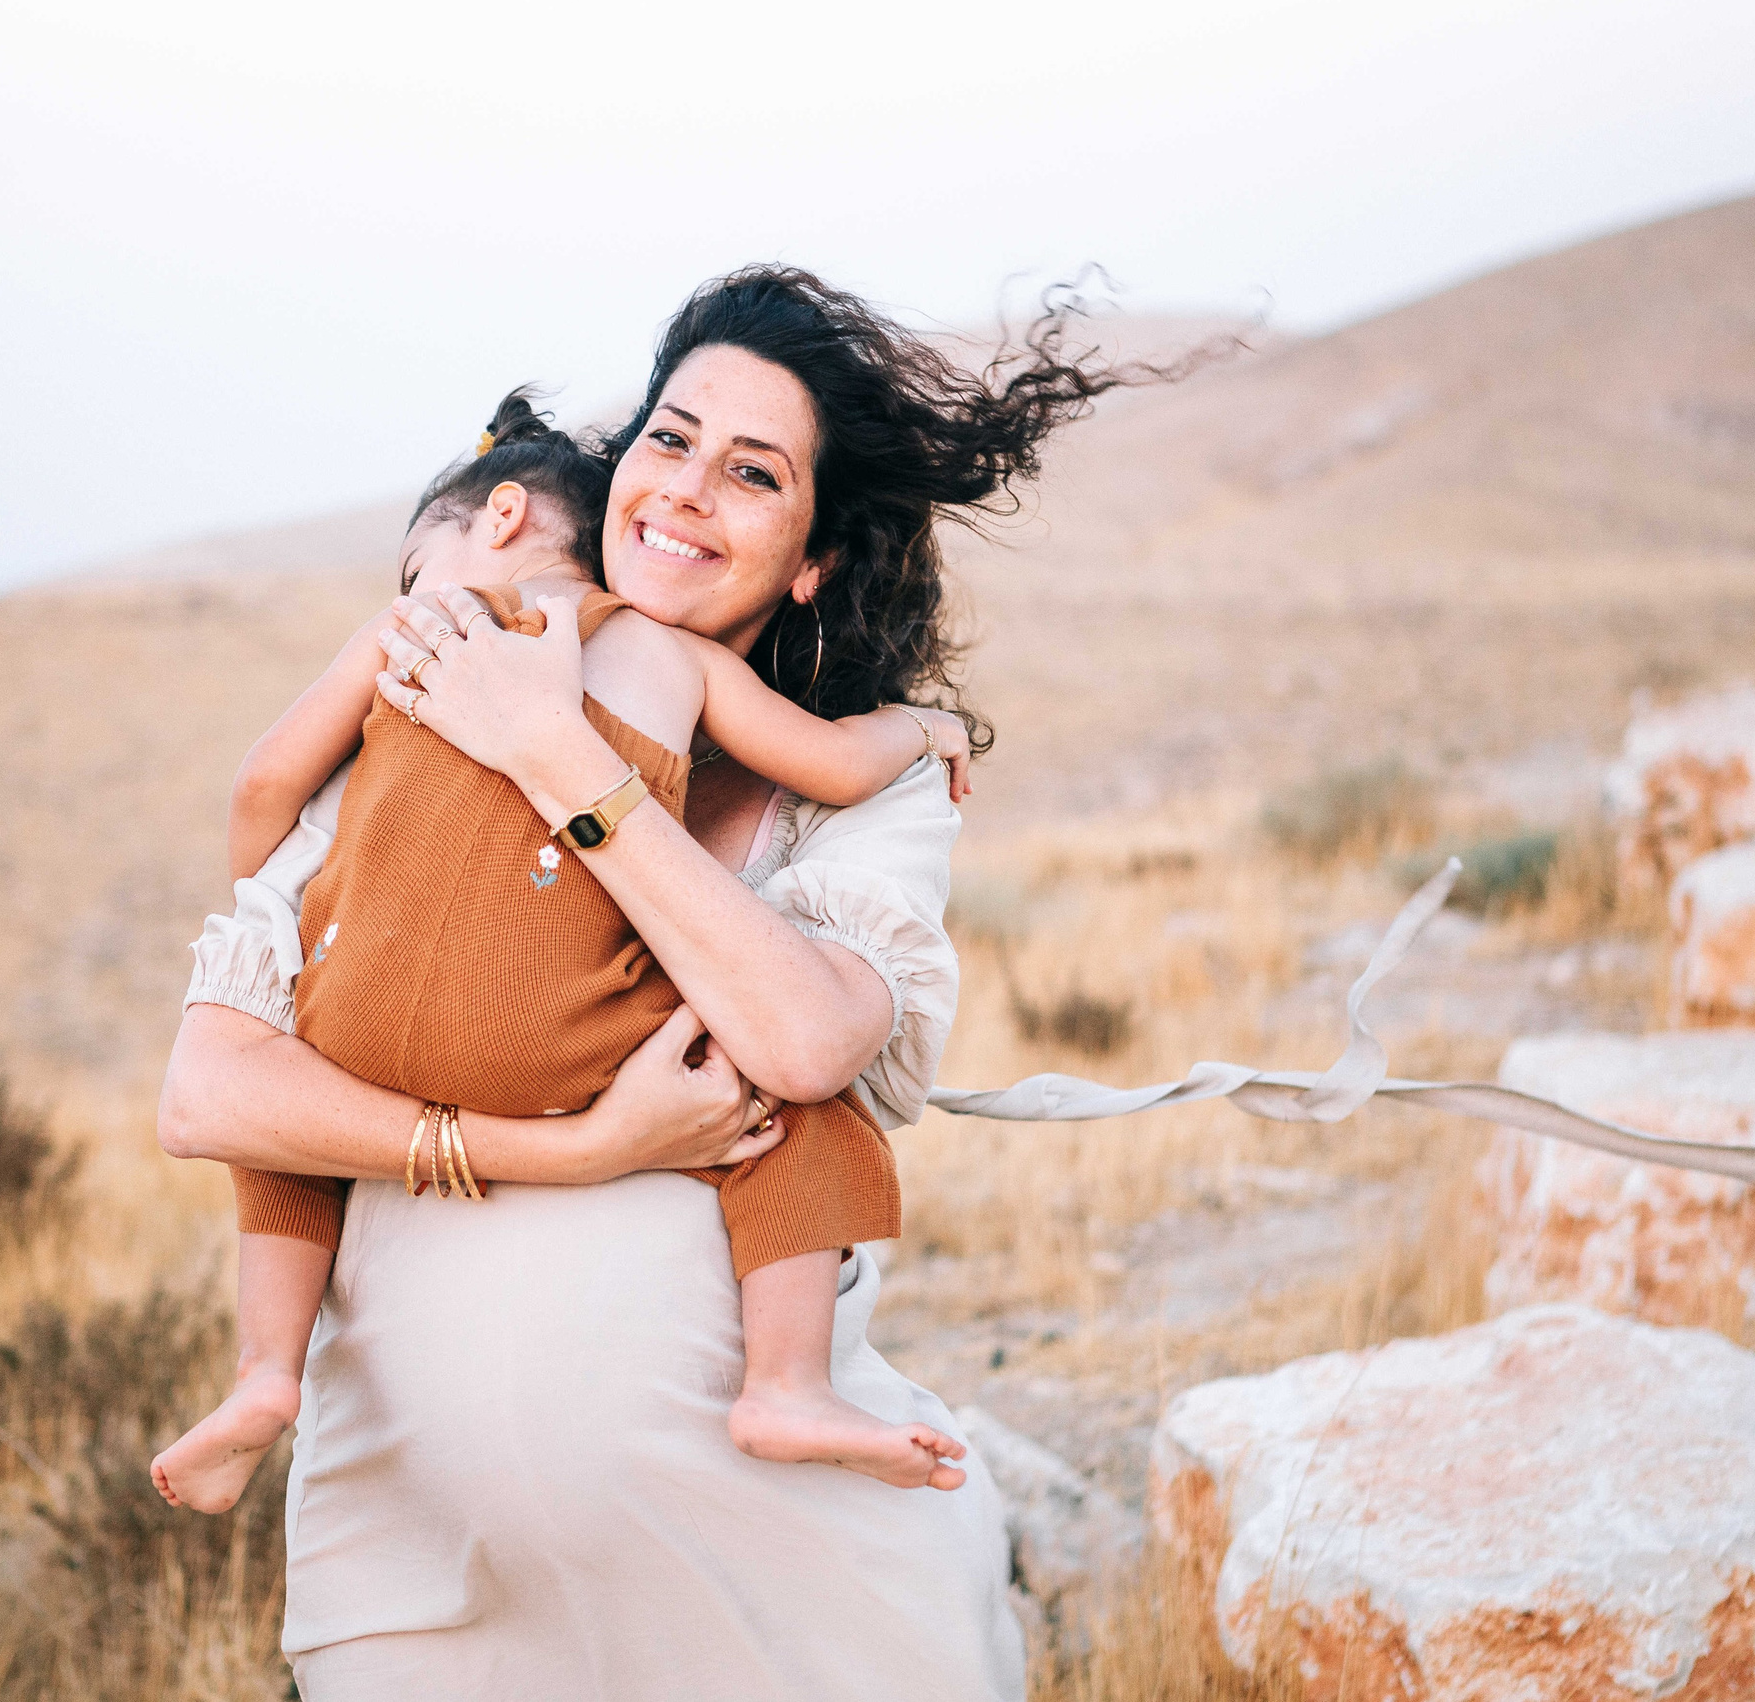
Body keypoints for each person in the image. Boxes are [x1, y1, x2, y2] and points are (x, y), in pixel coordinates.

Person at [158, 266, 1129, 1700]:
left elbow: (802, 1038)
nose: (684, 489)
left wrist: (560, 755)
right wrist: (580, 1149)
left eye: (751, 472)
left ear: (810, 558)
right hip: (431, 1575)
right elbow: (214, 1081)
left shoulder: (853, 803)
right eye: (668, 440)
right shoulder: (429, 693)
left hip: (770, 1582)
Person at [149, 387, 976, 1517]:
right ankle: (786, 1385)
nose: (410, 602)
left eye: (410, 569)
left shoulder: (406, 642)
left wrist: (281, 882)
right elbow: (831, 762)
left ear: (495, 519)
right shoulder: (669, 657)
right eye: (673, 443)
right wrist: (924, 729)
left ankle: (262, 1373)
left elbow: (258, 792)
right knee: (791, 1106)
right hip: (546, 1038)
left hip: (354, 1023)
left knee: (286, 1117)